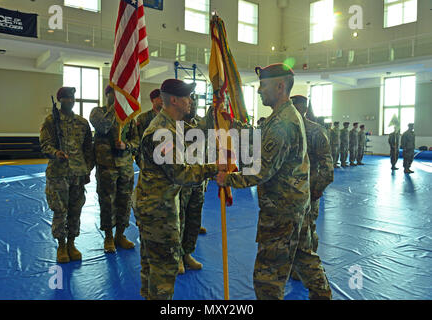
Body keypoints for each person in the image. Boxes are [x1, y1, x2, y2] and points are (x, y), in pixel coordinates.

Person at [217, 64, 332, 300]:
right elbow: (260, 139)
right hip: (295, 205)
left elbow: (261, 171)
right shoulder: (283, 116)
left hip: (281, 211)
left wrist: (226, 178)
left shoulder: (283, 123)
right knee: (303, 256)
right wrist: (234, 125)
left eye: (263, 85)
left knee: (267, 277)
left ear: (280, 87)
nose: (259, 91)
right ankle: (323, 295)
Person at [132, 79, 221, 300]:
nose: (190, 101)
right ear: (174, 100)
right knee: (163, 268)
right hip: (157, 210)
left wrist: (215, 111)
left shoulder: (173, 125)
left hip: (155, 204)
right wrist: (214, 168)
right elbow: (180, 174)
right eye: (186, 97)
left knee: (151, 264)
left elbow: (197, 132)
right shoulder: (162, 132)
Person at [40, 87, 94, 263]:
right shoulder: (50, 121)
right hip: (58, 173)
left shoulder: (82, 122)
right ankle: (61, 245)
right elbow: (45, 144)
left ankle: (72, 243)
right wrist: (56, 153)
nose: (70, 101)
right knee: (59, 210)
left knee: (75, 209)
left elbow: (88, 149)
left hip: (77, 173)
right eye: (66, 98)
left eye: (72, 98)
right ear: (60, 100)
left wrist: (87, 169)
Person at [89, 85, 139, 253]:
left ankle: (120, 234)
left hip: (125, 166)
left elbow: (136, 141)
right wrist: (113, 109)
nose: (119, 98)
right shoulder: (97, 112)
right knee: (107, 202)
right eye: (115, 95)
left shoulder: (128, 118)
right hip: (106, 167)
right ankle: (109, 236)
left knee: (124, 202)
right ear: (107, 95)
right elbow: (103, 127)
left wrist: (127, 145)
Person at [291, 95, 334, 255]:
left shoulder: (316, 131)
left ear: (303, 109)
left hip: (309, 188)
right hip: (289, 191)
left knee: (307, 227)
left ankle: (308, 265)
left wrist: (318, 189)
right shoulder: (285, 130)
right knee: (293, 229)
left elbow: (327, 166)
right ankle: (296, 263)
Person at [178, 94, 210, 274]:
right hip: (182, 182)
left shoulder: (199, 123)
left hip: (199, 180)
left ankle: (187, 253)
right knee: (179, 220)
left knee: (194, 218)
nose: (193, 105)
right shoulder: (176, 124)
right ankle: (177, 257)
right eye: (190, 102)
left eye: (196, 103)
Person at [135, 89, 162, 168]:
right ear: (153, 100)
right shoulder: (143, 118)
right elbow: (139, 140)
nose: (163, 100)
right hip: (148, 159)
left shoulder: (169, 118)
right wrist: (139, 160)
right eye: (160, 97)